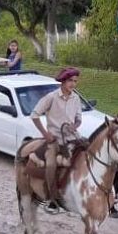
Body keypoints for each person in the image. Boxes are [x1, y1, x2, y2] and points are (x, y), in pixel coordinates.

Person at [30, 67, 83, 206]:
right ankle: (52, 196)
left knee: (89, 154)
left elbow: (79, 119)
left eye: (75, 81)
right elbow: (34, 115)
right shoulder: (51, 97)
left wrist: (75, 126)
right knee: (51, 164)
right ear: (63, 81)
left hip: (73, 137)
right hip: (54, 139)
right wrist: (45, 134)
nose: (73, 84)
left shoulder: (76, 98)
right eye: (70, 80)